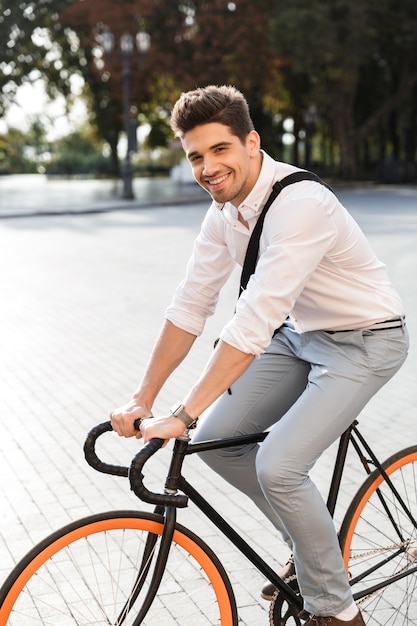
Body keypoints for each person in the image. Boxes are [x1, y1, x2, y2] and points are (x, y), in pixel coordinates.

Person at [110, 85, 408, 625]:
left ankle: (337, 612)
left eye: (220, 150)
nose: (207, 167)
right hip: (299, 336)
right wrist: (142, 396)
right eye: (195, 156)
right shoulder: (224, 214)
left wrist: (182, 413)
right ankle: (314, 554)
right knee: (218, 445)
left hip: (366, 340)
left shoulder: (301, 205)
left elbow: (250, 325)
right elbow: (190, 307)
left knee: (278, 467)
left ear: (252, 142)